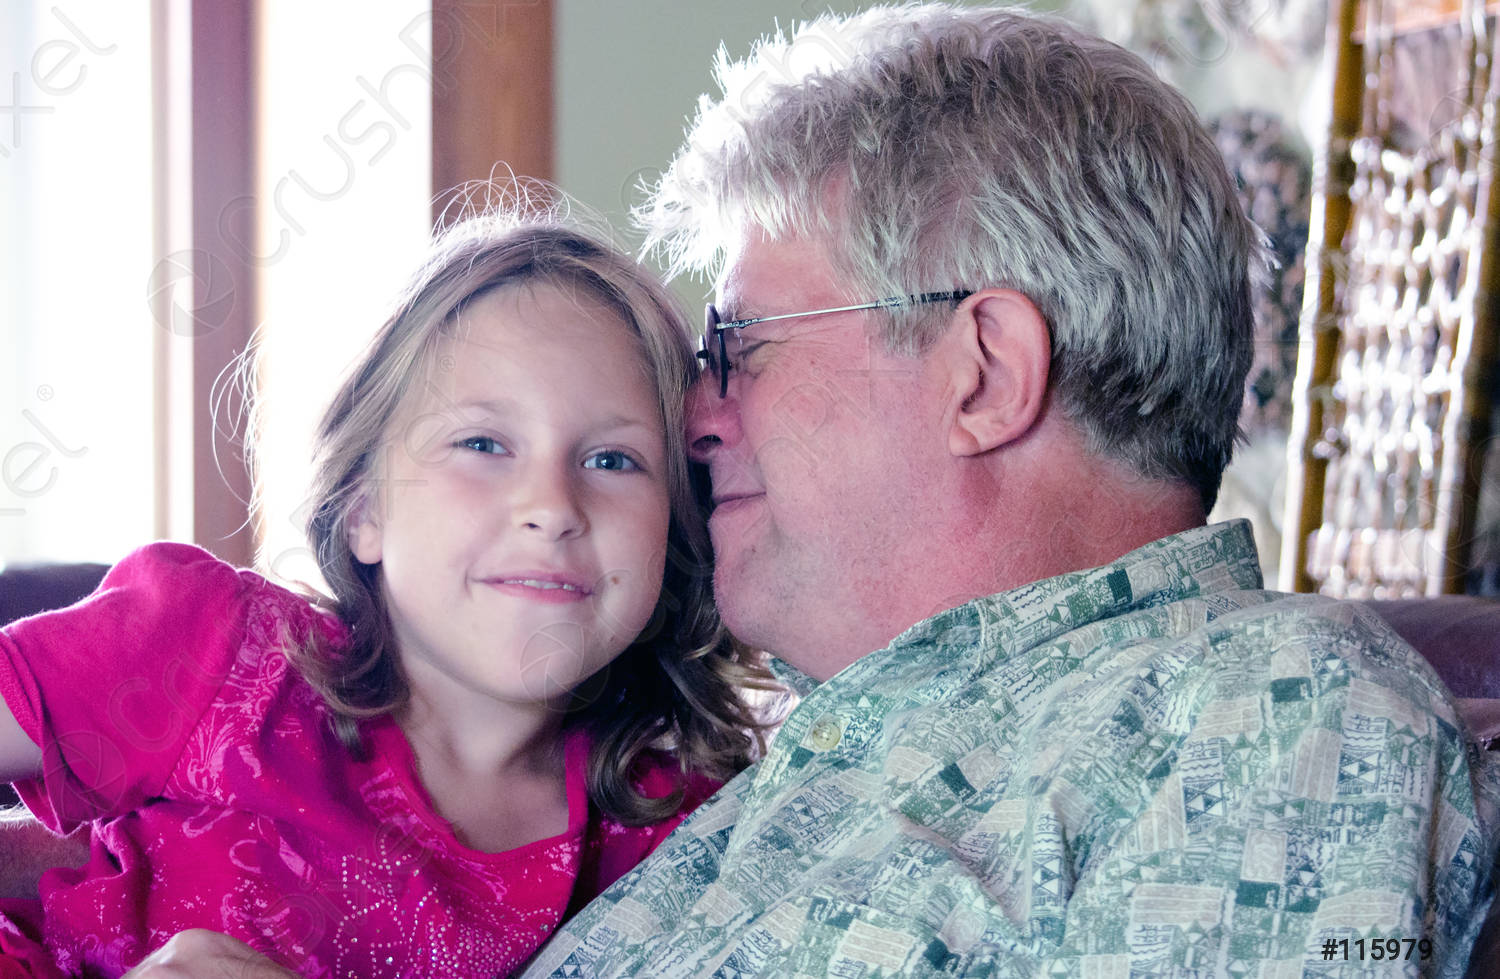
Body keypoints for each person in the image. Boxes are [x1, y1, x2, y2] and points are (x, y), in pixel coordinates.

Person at [121, 4, 1500, 977]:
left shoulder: (1272, 710)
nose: (691, 414)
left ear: (984, 372)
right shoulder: (748, 759)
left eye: (737, 347)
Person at [0, 205, 765, 978]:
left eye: (612, 460)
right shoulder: (216, 648)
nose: (553, 506)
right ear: (364, 509)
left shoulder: (684, 834)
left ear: (673, 531)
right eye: (483, 444)